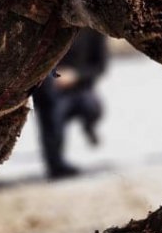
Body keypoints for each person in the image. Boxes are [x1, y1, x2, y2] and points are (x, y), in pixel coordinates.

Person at [33, 30, 108, 179]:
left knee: (93, 107)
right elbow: (36, 61)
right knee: (52, 112)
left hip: (80, 88)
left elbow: (99, 66)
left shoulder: (94, 30)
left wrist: (76, 75)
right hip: (50, 89)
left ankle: (88, 126)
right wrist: (55, 77)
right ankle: (56, 164)